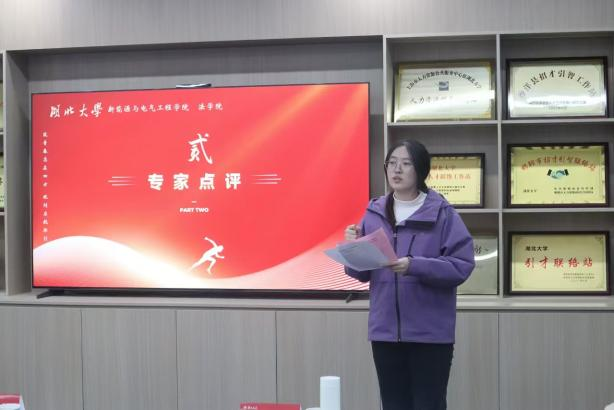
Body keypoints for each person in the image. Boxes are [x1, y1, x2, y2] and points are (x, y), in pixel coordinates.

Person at [344, 139, 475, 410]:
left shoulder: (442, 213)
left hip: (430, 334)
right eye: (391, 163)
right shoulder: (374, 212)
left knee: (428, 404)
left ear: (421, 170)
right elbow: (361, 274)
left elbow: (461, 265)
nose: (397, 170)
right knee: (393, 404)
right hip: (385, 333)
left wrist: (414, 266)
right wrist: (352, 249)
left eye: (406, 163)